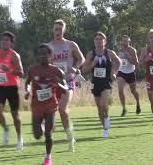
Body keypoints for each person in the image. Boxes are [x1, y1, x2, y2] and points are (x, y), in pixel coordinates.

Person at [25, 44, 68, 165]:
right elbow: (28, 82)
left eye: (45, 54)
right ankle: (43, 126)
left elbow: (65, 88)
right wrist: (27, 90)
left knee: (48, 134)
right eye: (40, 54)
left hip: (51, 105)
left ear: (50, 56)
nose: (42, 56)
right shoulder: (32, 69)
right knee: (37, 135)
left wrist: (58, 85)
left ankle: (48, 157)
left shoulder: (56, 71)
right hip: (36, 106)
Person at [47, 19, 85, 151]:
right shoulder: (48, 46)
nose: (57, 31)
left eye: (60, 29)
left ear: (64, 30)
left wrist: (75, 67)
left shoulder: (70, 44)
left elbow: (81, 58)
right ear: (53, 30)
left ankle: (70, 138)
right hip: (53, 83)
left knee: (62, 109)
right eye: (56, 29)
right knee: (50, 113)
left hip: (68, 81)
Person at [82, 32, 121, 138]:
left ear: (105, 41)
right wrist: (92, 64)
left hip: (107, 82)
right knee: (99, 109)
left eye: (101, 39)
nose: (99, 41)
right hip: (95, 83)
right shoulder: (91, 54)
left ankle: (107, 121)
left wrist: (114, 72)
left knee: (104, 104)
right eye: (97, 39)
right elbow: (84, 70)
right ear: (94, 41)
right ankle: (105, 128)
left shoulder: (109, 53)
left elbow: (118, 62)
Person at [0, 31, 24, 150]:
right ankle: (6, 129)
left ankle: (19, 138)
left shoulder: (14, 55)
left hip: (12, 88)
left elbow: (21, 72)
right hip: (0, 87)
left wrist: (9, 69)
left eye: (7, 40)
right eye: (3, 39)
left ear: (11, 44)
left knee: (15, 115)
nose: (4, 41)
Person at [117, 35, 141, 116]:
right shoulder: (120, 50)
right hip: (121, 72)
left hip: (130, 72)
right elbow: (118, 62)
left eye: (126, 41)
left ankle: (138, 103)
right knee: (120, 89)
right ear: (121, 41)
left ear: (129, 42)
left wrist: (128, 57)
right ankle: (124, 108)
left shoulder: (132, 50)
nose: (125, 43)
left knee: (133, 91)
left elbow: (136, 63)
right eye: (123, 41)